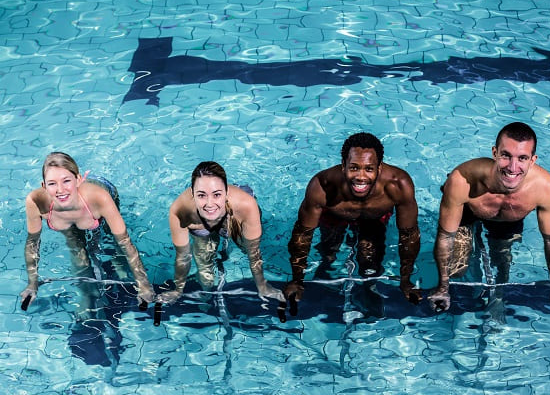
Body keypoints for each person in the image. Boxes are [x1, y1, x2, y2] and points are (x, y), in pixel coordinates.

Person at [428, 122, 550, 314]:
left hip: (509, 219)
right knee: (457, 269)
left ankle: (498, 296)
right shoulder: (462, 181)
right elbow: (445, 236)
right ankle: (472, 233)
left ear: (533, 160)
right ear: (495, 152)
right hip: (468, 211)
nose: (513, 168)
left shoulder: (543, 188)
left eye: (522, 158)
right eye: (506, 155)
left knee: (501, 262)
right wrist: (442, 288)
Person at [282, 132, 421, 317]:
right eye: (354, 168)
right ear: (343, 165)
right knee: (328, 251)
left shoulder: (398, 185)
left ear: (379, 168)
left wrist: (406, 280)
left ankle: (369, 286)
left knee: (369, 259)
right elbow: (302, 235)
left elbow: (409, 235)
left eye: (369, 169)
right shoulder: (322, 186)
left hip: (374, 218)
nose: (360, 177)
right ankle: (326, 270)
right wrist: (296, 280)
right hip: (333, 216)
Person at [20, 152, 154, 311]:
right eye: (52, 184)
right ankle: (87, 296)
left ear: (78, 179)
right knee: (76, 248)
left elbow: (125, 242)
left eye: (66, 181)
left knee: (113, 240)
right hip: (70, 216)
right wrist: (32, 283)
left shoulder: (101, 198)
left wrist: (143, 284)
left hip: (99, 196)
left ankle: (119, 266)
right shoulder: (35, 202)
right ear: (44, 186)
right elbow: (32, 243)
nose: (60, 190)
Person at [156, 161, 283, 305]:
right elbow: (183, 256)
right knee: (206, 277)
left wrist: (262, 286)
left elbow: (254, 253)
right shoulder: (180, 212)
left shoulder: (246, 206)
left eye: (216, 195)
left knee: (245, 248)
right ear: (192, 194)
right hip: (200, 223)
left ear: (226, 192)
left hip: (235, 214)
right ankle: (206, 296)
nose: (209, 204)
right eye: (201, 195)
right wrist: (178, 290)